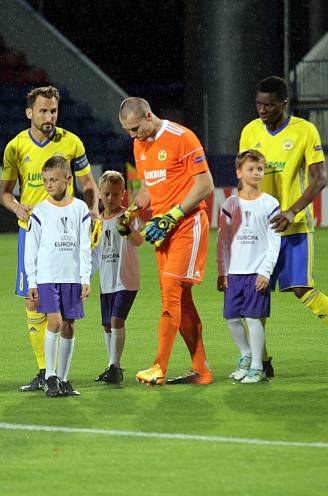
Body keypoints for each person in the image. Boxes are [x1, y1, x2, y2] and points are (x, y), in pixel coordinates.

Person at [239, 76, 328, 379]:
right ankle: (262, 363)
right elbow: (244, 177)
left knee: (301, 288)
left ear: (284, 104)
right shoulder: (249, 132)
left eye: (269, 105)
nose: (262, 110)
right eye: (258, 104)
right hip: (261, 229)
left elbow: (320, 178)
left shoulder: (304, 131)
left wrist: (292, 210)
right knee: (252, 295)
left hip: (294, 225)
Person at [0, 86, 99, 392]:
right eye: (43, 111)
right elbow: (4, 193)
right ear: (29, 112)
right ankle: (45, 370)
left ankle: (56, 374)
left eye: (53, 110)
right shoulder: (16, 147)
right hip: (32, 232)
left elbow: (88, 184)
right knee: (34, 302)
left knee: (66, 314)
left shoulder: (72, 142)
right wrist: (17, 206)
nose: (49, 116)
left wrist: (93, 212)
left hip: (66, 235)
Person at [118, 97, 214, 386]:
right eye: (128, 132)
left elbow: (205, 184)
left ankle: (159, 367)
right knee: (182, 300)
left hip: (188, 224)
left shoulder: (182, 137)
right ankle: (202, 371)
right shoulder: (139, 145)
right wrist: (133, 209)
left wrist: (173, 214)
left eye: (135, 128)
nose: (133, 136)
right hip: (163, 230)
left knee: (171, 293)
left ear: (148, 116)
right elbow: (148, 188)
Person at [24, 156, 92, 397]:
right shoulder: (40, 211)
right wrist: (31, 280)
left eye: (53, 180)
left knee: (69, 326)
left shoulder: (81, 209)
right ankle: (50, 376)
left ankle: (63, 379)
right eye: (45, 180)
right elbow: (30, 248)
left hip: (71, 276)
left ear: (68, 179)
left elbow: (85, 245)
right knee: (54, 322)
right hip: (47, 277)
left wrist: (85, 277)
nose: (49, 185)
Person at [217, 149, 280, 384]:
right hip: (234, 273)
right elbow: (223, 240)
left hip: (256, 272)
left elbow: (275, 242)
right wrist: (222, 271)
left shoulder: (270, 204)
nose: (256, 173)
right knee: (232, 319)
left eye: (260, 169)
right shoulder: (230, 204)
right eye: (250, 169)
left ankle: (257, 366)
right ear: (239, 172)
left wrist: (266, 271)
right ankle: (245, 355)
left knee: (253, 319)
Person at [92, 170, 142, 384]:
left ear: (123, 194)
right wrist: (85, 280)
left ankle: (114, 367)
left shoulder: (127, 216)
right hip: (106, 280)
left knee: (116, 320)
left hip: (126, 280)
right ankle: (113, 365)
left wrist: (128, 229)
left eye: (115, 194)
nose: (110, 198)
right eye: (106, 194)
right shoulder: (97, 222)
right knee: (106, 324)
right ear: (100, 195)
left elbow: (138, 240)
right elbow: (94, 254)